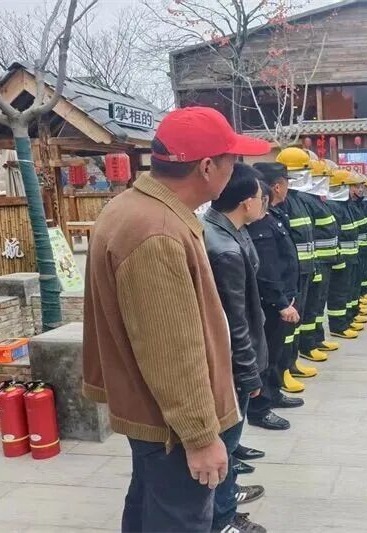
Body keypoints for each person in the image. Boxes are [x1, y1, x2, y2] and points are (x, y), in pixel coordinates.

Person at [82, 106, 270, 532]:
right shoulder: (157, 231)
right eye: (231, 159)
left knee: (149, 509)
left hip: (154, 415)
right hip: (171, 426)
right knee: (179, 519)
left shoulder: (133, 207)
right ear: (207, 167)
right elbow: (172, 349)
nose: (235, 169)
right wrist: (201, 436)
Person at [203, 164, 269, 533]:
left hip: (234, 357)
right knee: (225, 442)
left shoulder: (227, 230)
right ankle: (222, 520)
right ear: (246, 202)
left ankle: (227, 497)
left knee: (228, 442)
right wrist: (249, 370)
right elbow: (235, 322)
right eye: (261, 198)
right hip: (231, 363)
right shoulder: (225, 248)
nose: (263, 204)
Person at [248, 163, 305, 430]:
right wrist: (281, 302)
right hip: (272, 303)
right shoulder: (260, 221)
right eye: (285, 183)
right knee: (266, 356)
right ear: (276, 186)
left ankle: (273, 393)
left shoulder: (273, 214)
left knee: (276, 352)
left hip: (284, 298)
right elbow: (266, 269)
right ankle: (260, 409)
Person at [263, 149, 317, 394]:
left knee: (294, 325)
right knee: (282, 332)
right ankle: (280, 372)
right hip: (285, 282)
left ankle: (290, 364)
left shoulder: (293, 202)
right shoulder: (275, 209)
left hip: (299, 274)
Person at [294, 158, 342, 364]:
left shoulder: (314, 200)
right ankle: (307, 345)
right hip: (314, 261)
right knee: (310, 306)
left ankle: (316, 339)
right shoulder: (304, 200)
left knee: (317, 304)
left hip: (321, 260)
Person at [325, 169, 363, 339]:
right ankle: (338, 326)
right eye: (351, 186)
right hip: (342, 258)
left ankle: (347, 320)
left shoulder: (345, 205)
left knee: (347, 290)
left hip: (350, 256)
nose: (355, 190)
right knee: (339, 293)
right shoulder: (334, 206)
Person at [348, 173, 367, 327]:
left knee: (354, 283)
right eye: (356, 186)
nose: (360, 190)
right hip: (345, 254)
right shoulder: (345, 205)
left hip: (357, 250)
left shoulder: (356, 204)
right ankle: (344, 320)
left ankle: (353, 311)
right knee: (345, 289)